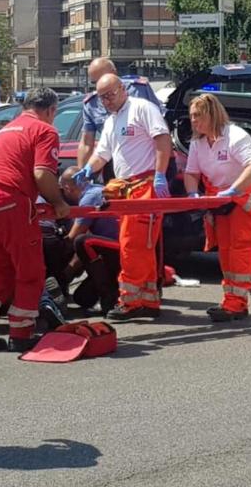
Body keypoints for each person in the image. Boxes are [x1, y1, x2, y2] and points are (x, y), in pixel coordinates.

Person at [0, 87, 70, 353]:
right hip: (13, 204)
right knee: (30, 272)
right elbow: (42, 174)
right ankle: (21, 333)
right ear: (50, 110)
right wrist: (58, 203)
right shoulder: (45, 131)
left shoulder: (4, 130)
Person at [73, 73, 171, 320]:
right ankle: (147, 300)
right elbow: (102, 154)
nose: (106, 101)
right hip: (126, 189)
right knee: (142, 247)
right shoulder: (111, 121)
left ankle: (130, 301)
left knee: (133, 245)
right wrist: (88, 169)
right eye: (102, 97)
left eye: (110, 95)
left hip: (144, 185)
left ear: (122, 89)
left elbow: (162, 140)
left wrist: (160, 174)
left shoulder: (142, 109)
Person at [182, 93, 251, 322]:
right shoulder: (198, 143)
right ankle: (232, 301)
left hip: (246, 200)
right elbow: (191, 173)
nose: (194, 121)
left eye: (198, 116)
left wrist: (234, 189)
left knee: (241, 252)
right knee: (226, 252)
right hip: (223, 202)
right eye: (191, 116)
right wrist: (192, 193)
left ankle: (236, 303)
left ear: (211, 114)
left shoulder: (235, 136)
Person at [76, 57, 164, 168]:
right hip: (113, 163)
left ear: (114, 73)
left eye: (102, 78)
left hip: (147, 163)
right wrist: (81, 171)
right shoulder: (91, 104)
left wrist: (161, 171)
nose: (100, 84)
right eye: (95, 82)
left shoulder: (138, 91)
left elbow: (161, 131)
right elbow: (87, 143)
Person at [59, 168, 121, 313]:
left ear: (67, 188)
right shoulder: (97, 190)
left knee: (82, 242)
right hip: (113, 250)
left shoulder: (89, 198)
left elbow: (73, 237)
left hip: (118, 250)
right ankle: (113, 289)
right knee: (83, 298)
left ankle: (109, 297)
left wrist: (62, 274)